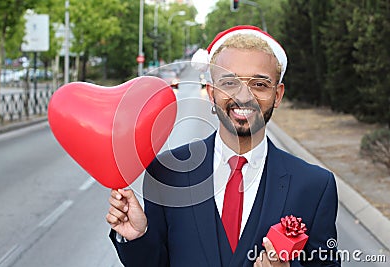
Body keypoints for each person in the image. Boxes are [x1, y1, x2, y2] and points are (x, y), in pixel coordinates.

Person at [106, 25, 341, 267]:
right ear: (211, 92)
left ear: (278, 95)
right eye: (229, 82)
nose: (243, 96)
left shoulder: (314, 186)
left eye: (259, 84)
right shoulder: (167, 172)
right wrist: (137, 236)